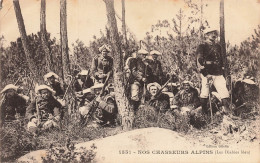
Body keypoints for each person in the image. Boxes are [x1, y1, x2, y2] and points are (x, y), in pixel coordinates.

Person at [196, 28, 230, 115]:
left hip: (218, 73)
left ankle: (227, 112)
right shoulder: (202, 46)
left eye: (215, 33)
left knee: (224, 92)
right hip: (207, 73)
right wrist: (206, 74)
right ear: (206, 35)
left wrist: (224, 73)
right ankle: (204, 113)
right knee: (205, 93)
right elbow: (199, 60)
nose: (214, 35)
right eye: (211, 33)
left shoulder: (218, 47)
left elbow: (222, 60)